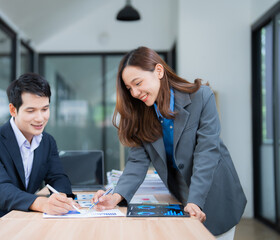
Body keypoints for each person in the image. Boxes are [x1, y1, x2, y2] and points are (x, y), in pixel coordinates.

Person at [92, 47, 247, 238]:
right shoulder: (142, 115)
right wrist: (116, 196)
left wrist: (196, 201)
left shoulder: (202, 97)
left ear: (158, 71)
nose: (134, 93)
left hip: (217, 196)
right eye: (129, 88)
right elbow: (137, 162)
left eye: (138, 83)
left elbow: (207, 152)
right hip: (180, 197)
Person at [0, 73, 79, 239]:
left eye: (45, 109)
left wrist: (61, 198)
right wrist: (42, 203)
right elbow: (0, 190)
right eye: (31, 110)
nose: (40, 118)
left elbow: (58, 177)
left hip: (26, 225)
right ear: (13, 110)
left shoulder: (47, 142)